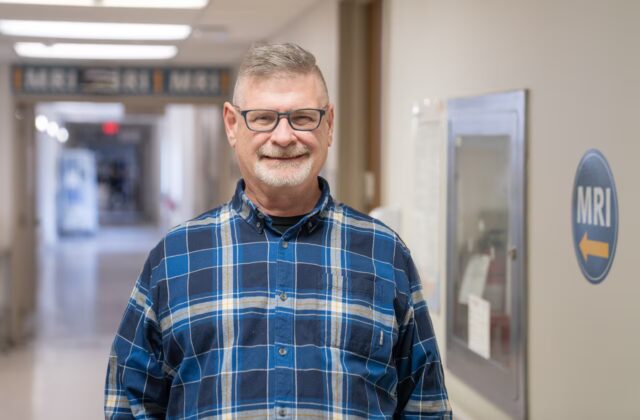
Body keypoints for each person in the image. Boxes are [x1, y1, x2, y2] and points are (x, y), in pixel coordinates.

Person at [105, 42, 451, 419]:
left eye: (303, 117)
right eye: (263, 118)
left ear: (329, 124)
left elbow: (426, 405)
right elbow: (129, 403)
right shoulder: (175, 257)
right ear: (232, 125)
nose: (284, 137)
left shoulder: (384, 253)